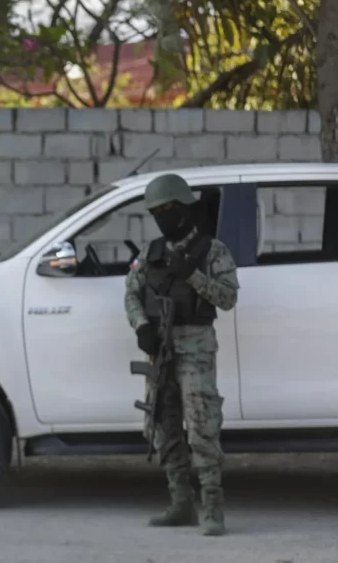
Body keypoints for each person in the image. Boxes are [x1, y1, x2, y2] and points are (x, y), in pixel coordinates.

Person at [124, 173, 239, 537]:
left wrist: (192, 275)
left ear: (185, 208)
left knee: (203, 426)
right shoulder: (152, 252)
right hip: (160, 348)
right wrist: (142, 326)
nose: (162, 216)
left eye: (168, 209)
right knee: (164, 425)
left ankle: (213, 507)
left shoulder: (213, 251)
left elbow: (228, 297)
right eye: (156, 211)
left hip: (196, 346)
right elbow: (131, 293)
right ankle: (180, 503)